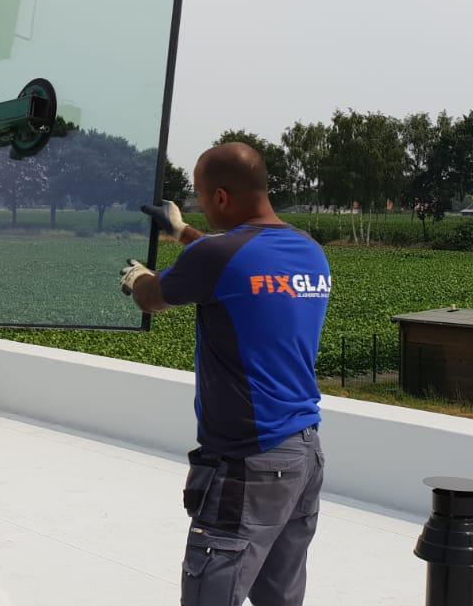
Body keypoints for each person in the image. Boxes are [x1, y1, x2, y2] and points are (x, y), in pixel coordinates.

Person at [119, 142, 331, 606]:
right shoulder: (309, 252)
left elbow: (155, 296)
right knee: (280, 599)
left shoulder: (219, 257)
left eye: (198, 197)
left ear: (220, 197)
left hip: (247, 464)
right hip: (302, 455)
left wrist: (137, 279)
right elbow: (239, 260)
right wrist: (182, 233)